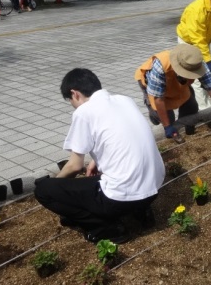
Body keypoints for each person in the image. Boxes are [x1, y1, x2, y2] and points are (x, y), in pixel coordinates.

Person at [34, 68, 165, 244]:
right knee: (113, 178)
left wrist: (57, 184)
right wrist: (97, 160)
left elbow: (74, 165)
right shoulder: (125, 100)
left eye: (70, 101)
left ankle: (108, 229)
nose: (73, 106)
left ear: (75, 94)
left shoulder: (84, 112)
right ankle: (141, 212)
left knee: (44, 190)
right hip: (153, 189)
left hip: (120, 199)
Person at [135, 43, 211, 140]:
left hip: (178, 84)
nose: (192, 79)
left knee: (191, 106)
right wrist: (167, 126)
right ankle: (154, 115)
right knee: (167, 118)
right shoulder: (160, 67)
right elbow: (158, 99)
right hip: (152, 85)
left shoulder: (197, 64)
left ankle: (187, 130)